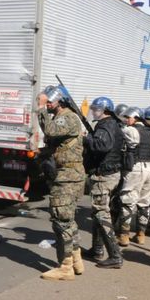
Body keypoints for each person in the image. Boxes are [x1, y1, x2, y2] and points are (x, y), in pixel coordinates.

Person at [36, 85, 85, 281]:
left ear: (60, 101)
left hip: (67, 176)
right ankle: (76, 260)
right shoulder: (62, 116)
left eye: (50, 101)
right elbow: (57, 143)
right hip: (66, 174)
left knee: (61, 220)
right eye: (45, 101)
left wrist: (39, 108)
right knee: (68, 220)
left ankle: (65, 268)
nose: (47, 103)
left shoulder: (67, 117)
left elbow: (50, 129)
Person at [81, 96, 124, 269]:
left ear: (105, 110)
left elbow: (102, 146)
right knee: (98, 213)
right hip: (109, 174)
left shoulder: (106, 125)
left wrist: (86, 139)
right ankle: (97, 249)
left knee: (101, 214)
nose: (94, 111)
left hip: (103, 176)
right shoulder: (112, 124)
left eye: (97, 109)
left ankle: (115, 255)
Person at [117, 107, 150, 247]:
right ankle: (141, 234)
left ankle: (124, 235)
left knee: (128, 201)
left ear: (136, 118)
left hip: (136, 168)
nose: (126, 120)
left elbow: (121, 135)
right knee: (145, 202)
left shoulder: (131, 130)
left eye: (128, 117)